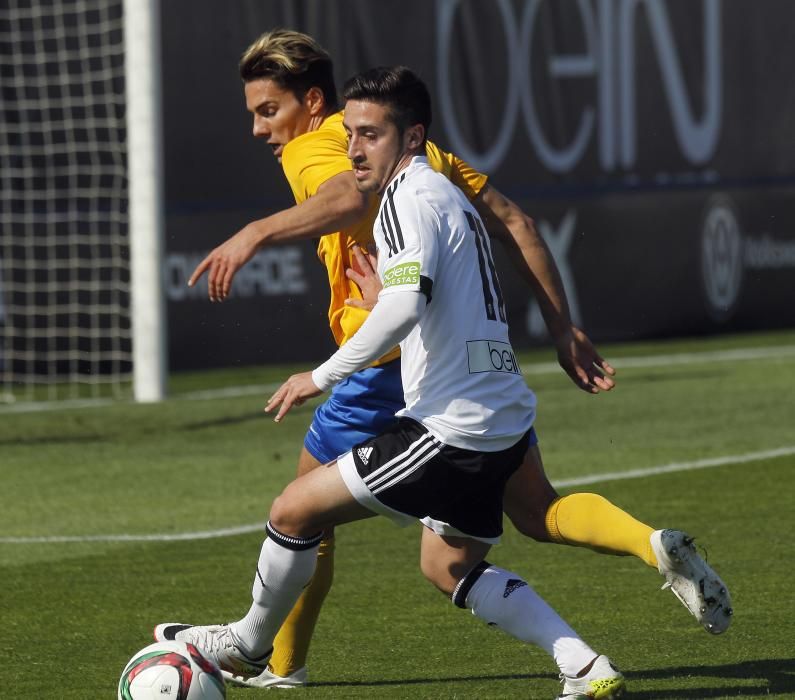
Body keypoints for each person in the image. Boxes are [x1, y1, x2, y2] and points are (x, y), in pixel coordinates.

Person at [186, 29, 732, 688]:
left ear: (310, 102)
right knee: (518, 522)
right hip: (481, 378)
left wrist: (256, 236)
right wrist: (561, 328)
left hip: (401, 372)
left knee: (299, 512)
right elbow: (518, 225)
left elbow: (352, 208)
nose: (258, 129)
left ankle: (274, 659)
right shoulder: (428, 159)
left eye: (266, 110)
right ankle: (640, 561)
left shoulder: (326, 153)